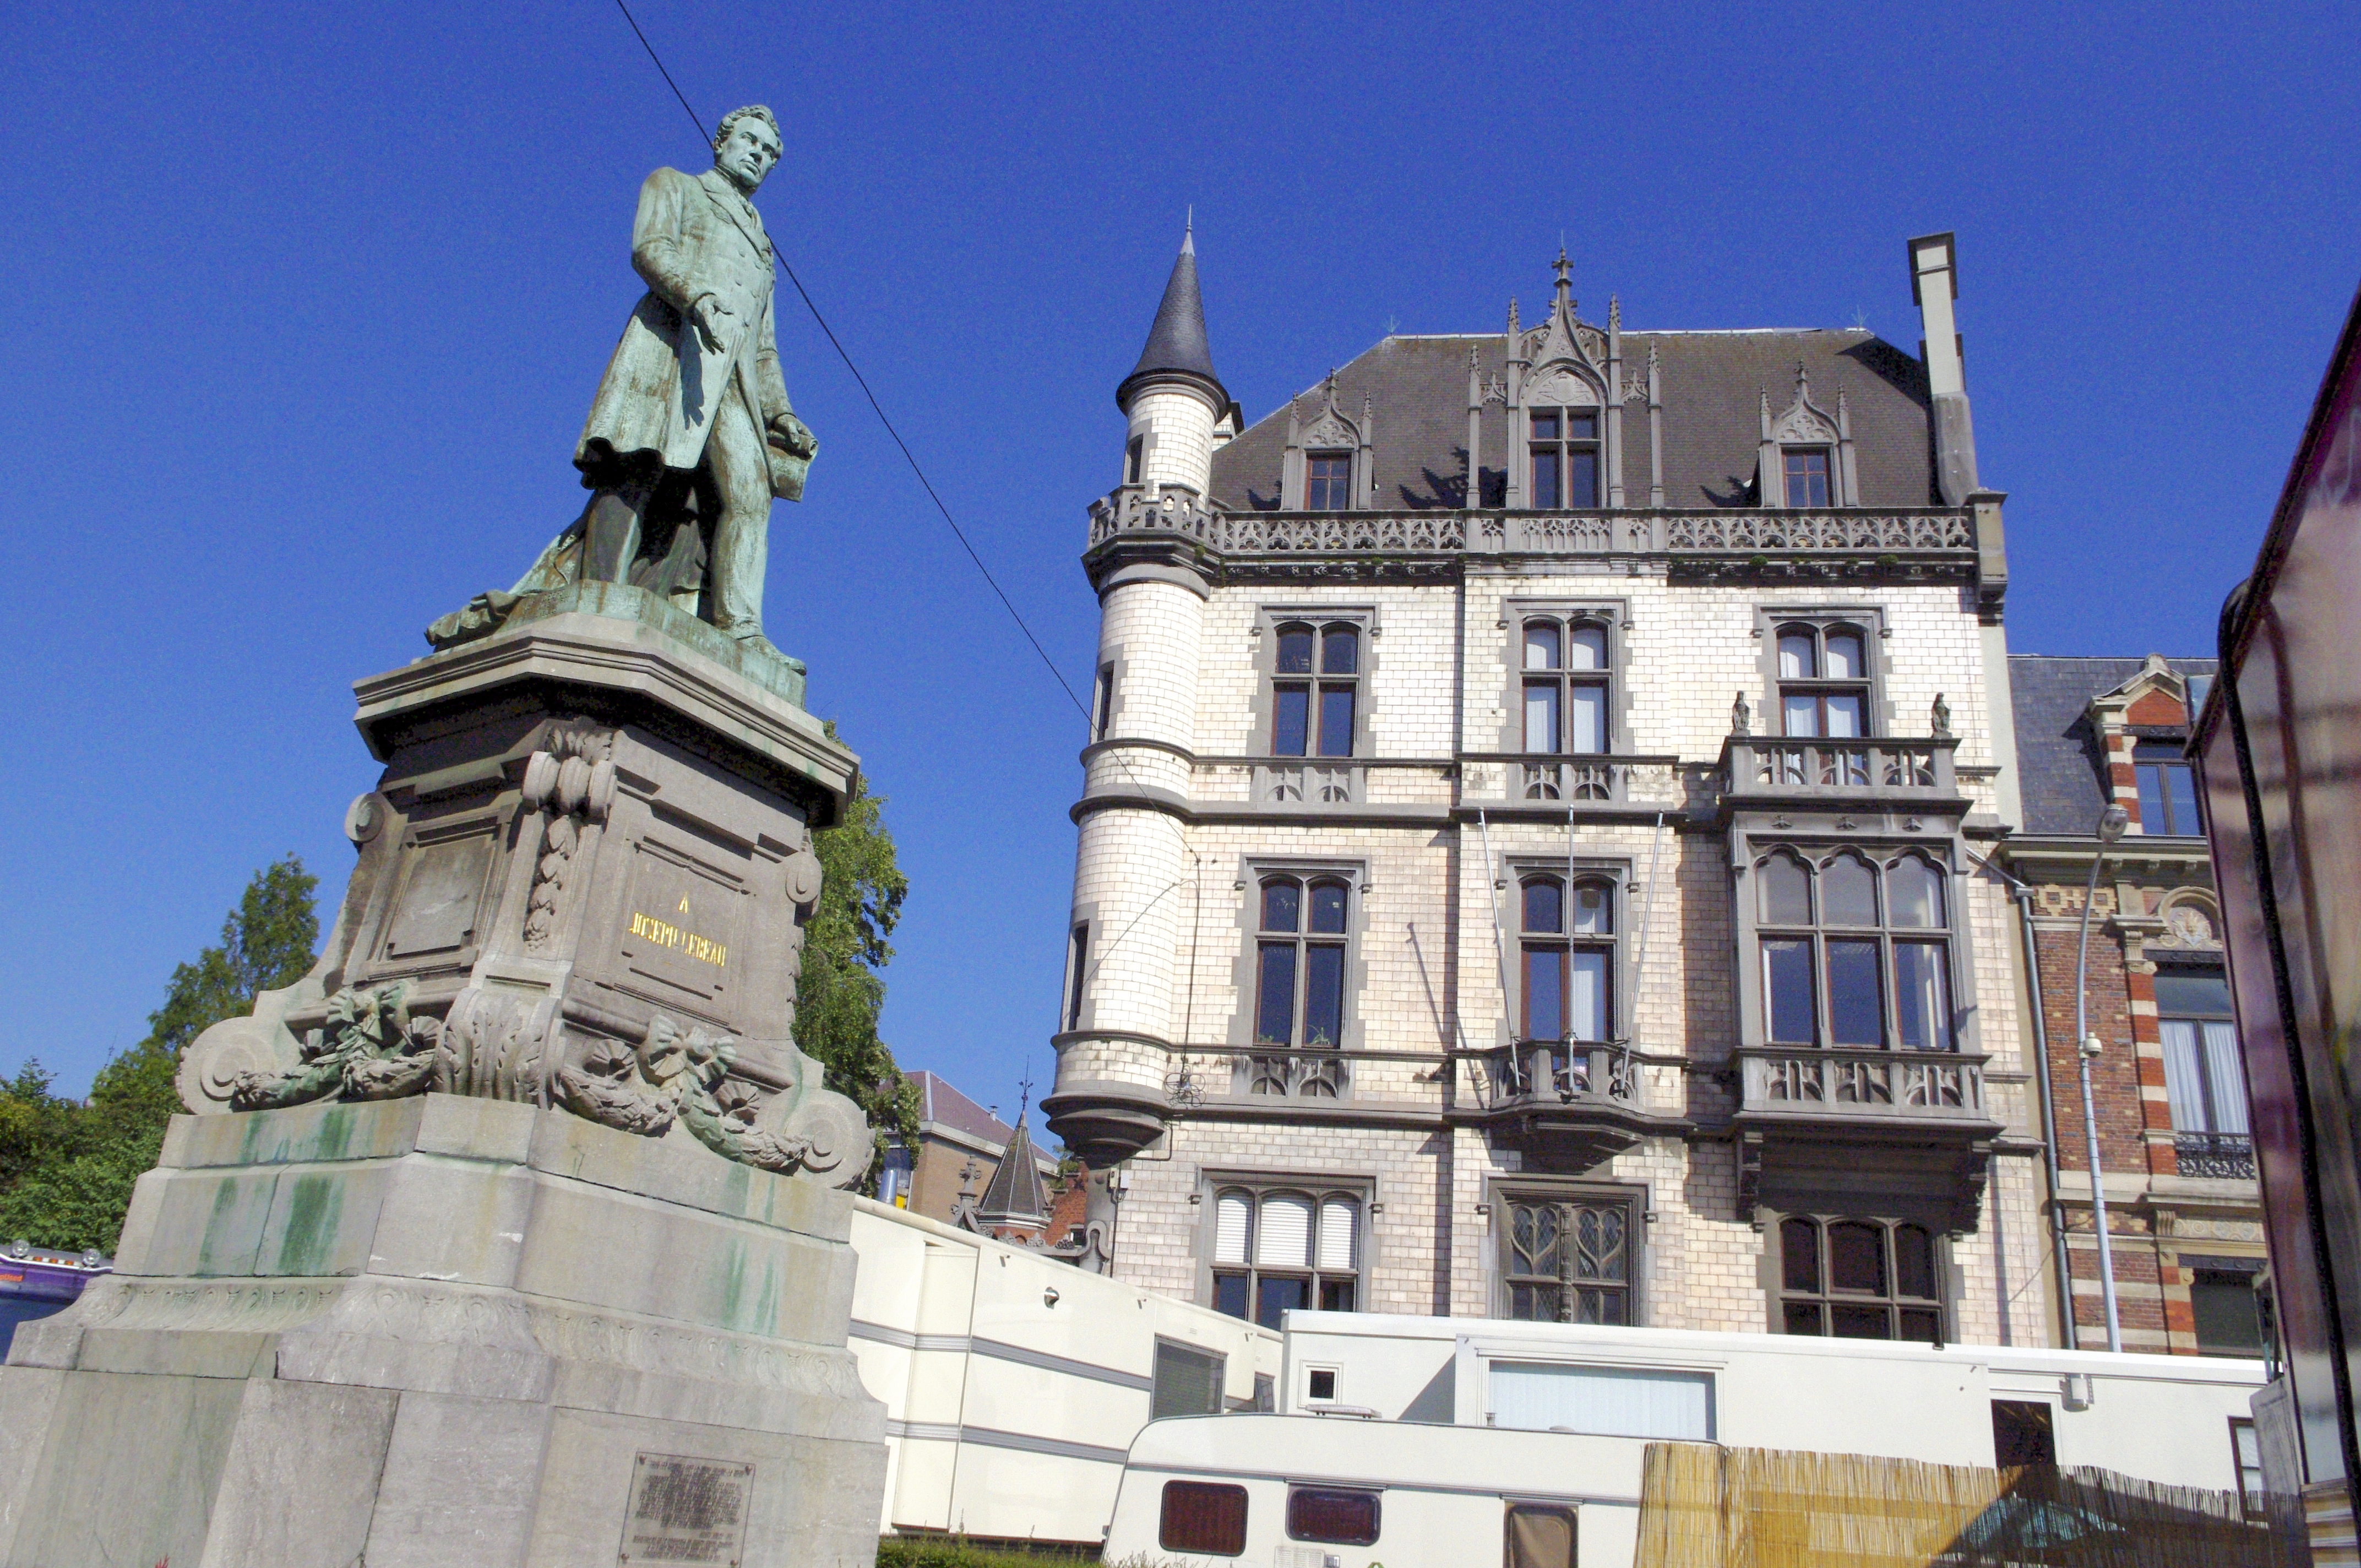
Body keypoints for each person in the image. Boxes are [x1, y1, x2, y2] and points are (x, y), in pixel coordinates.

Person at [573, 104, 816, 653]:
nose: (758, 155)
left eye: (768, 152)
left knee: (751, 494)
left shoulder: (763, 248)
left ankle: (741, 627)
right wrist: (697, 296)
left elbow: (764, 346)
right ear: (721, 142)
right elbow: (649, 249)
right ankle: (600, 593)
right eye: (750, 141)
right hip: (671, 347)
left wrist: (781, 412)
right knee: (637, 464)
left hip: (732, 380)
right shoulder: (675, 185)